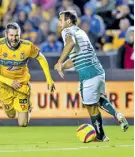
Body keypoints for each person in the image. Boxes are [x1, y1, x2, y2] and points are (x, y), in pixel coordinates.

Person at [54, 10, 129, 142]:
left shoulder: (67, 31)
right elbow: (75, 58)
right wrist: (62, 66)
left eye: (61, 20)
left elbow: (70, 43)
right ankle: (117, 115)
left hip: (88, 74)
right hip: (99, 71)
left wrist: (60, 62)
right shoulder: (81, 32)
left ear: (68, 21)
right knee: (98, 99)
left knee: (90, 106)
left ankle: (101, 136)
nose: (59, 22)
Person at [0, 22, 55, 127]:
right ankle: (19, 106)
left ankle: (27, 105)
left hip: (21, 85)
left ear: (20, 35)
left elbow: (41, 58)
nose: (14, 38)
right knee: (10, 115)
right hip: (5, 87)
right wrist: (9, 82)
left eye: (16, 35)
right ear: (6, 35)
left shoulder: (27, 46)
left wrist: (49, 79)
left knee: (23, 123)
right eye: (11, 35)